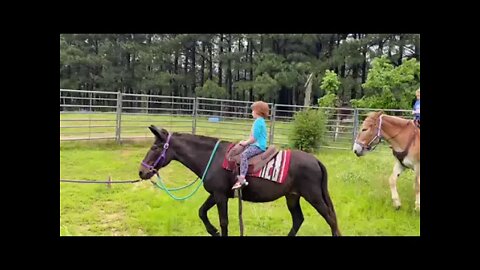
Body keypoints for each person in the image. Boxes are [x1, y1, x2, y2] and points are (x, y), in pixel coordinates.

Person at [231, 101, 269, 190]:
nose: (252, 112)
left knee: (244, 155)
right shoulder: (260, 121)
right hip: (257, 144)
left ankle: (242, 178)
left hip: (258, 146)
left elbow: (254, 138)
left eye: (253, 110)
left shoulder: (258, 122)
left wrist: (245, 143)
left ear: (258, 111)